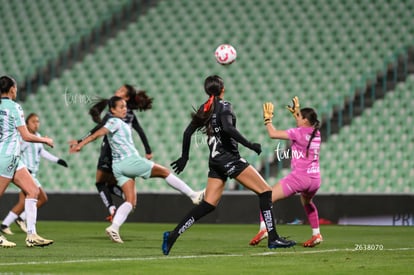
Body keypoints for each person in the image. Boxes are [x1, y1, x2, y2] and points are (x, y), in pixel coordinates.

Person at [161, 75, 296, 255]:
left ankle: (173, 235)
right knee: (265, 192)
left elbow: (187, 133)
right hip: (229, 159)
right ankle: (273, 238)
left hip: (215, 162)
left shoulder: (205, 108)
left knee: (208, 204)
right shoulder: (225, 106)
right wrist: (251, 145)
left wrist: (184, 157)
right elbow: (228, 129)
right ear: (222, 88)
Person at [70, 96, 201, 244]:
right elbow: (99, 133)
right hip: (129, 161)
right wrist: (81, 144)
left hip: (118, 167)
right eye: (121, 107)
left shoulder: (120, 122)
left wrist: (81, 143)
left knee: (130, 201)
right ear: (112, 110)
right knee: (164, 172)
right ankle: (192, 195)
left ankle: (114, 227)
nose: (125, 109)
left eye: (125, 106)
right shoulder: (114, 121)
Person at [249, 96, 322, 247]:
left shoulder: (297, 133)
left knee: (266, 197)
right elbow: (304, 125)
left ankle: (264, 229)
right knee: (307, 202)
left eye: (299, 117)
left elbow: (273, 134)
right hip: (315, 179)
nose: (297, 119)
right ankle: (316, 234)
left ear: (305, 120)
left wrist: (267, 120)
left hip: (300, 177)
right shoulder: (316, 133)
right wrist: (296, 113)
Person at [0, 75, 54, 247]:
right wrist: (45, 140)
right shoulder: (14, 107)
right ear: (12, 89)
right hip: (7, 156)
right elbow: (26, 135)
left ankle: (31, 235)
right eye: (15, 88)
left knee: (33, 191)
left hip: (13, 157)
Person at [0, 113, 68, 235]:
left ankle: (7, 223)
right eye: (33, 121)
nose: (37, 124)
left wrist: (58, 160)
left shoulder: (37, 137)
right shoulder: (25, 138)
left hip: (32, 174)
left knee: (25, 201)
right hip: (26, 172)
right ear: (26, 124)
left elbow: (42, 152)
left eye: (38, 121)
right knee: (41, 198)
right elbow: (16, 151)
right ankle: (19, 220)